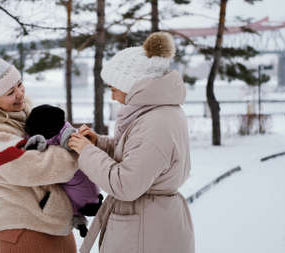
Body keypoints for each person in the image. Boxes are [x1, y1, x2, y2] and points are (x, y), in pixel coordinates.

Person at [68, 32, 195, 253]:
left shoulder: (156, 124)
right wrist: (99, 143)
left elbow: (126, 184)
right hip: (149, 224)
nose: (112, 95)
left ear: (133, 85)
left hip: (144, 231)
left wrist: (87, 152)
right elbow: (137, 154)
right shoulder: (159, 114)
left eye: (113, 88)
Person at [0, 51, 78, 253]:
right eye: (10, 92)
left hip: (53, 224)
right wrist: (76, 150)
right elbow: (35, 167)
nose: (20, 93)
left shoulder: (24, 118)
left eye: (19, 84)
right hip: (24, 230)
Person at [24, 104, 104, 237]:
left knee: (70, 200)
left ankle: (80, 219)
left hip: (81, 187)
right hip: (83, 190)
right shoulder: (55, 132)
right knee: (71, 204)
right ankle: (80, 222)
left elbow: (67, 140)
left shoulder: (62, 135)